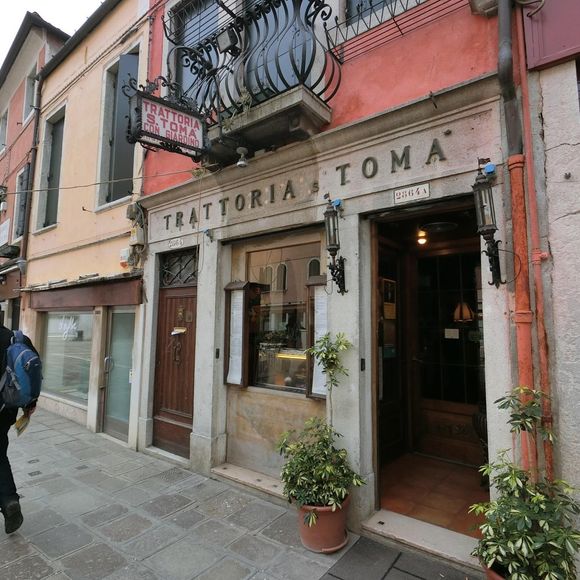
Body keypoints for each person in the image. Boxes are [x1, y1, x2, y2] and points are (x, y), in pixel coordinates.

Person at [0, 324, 36, 534]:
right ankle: (9, 500)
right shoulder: (17, 338)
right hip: (6, 410)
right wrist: (30, 404)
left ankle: (9, 500)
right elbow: (33, 372)